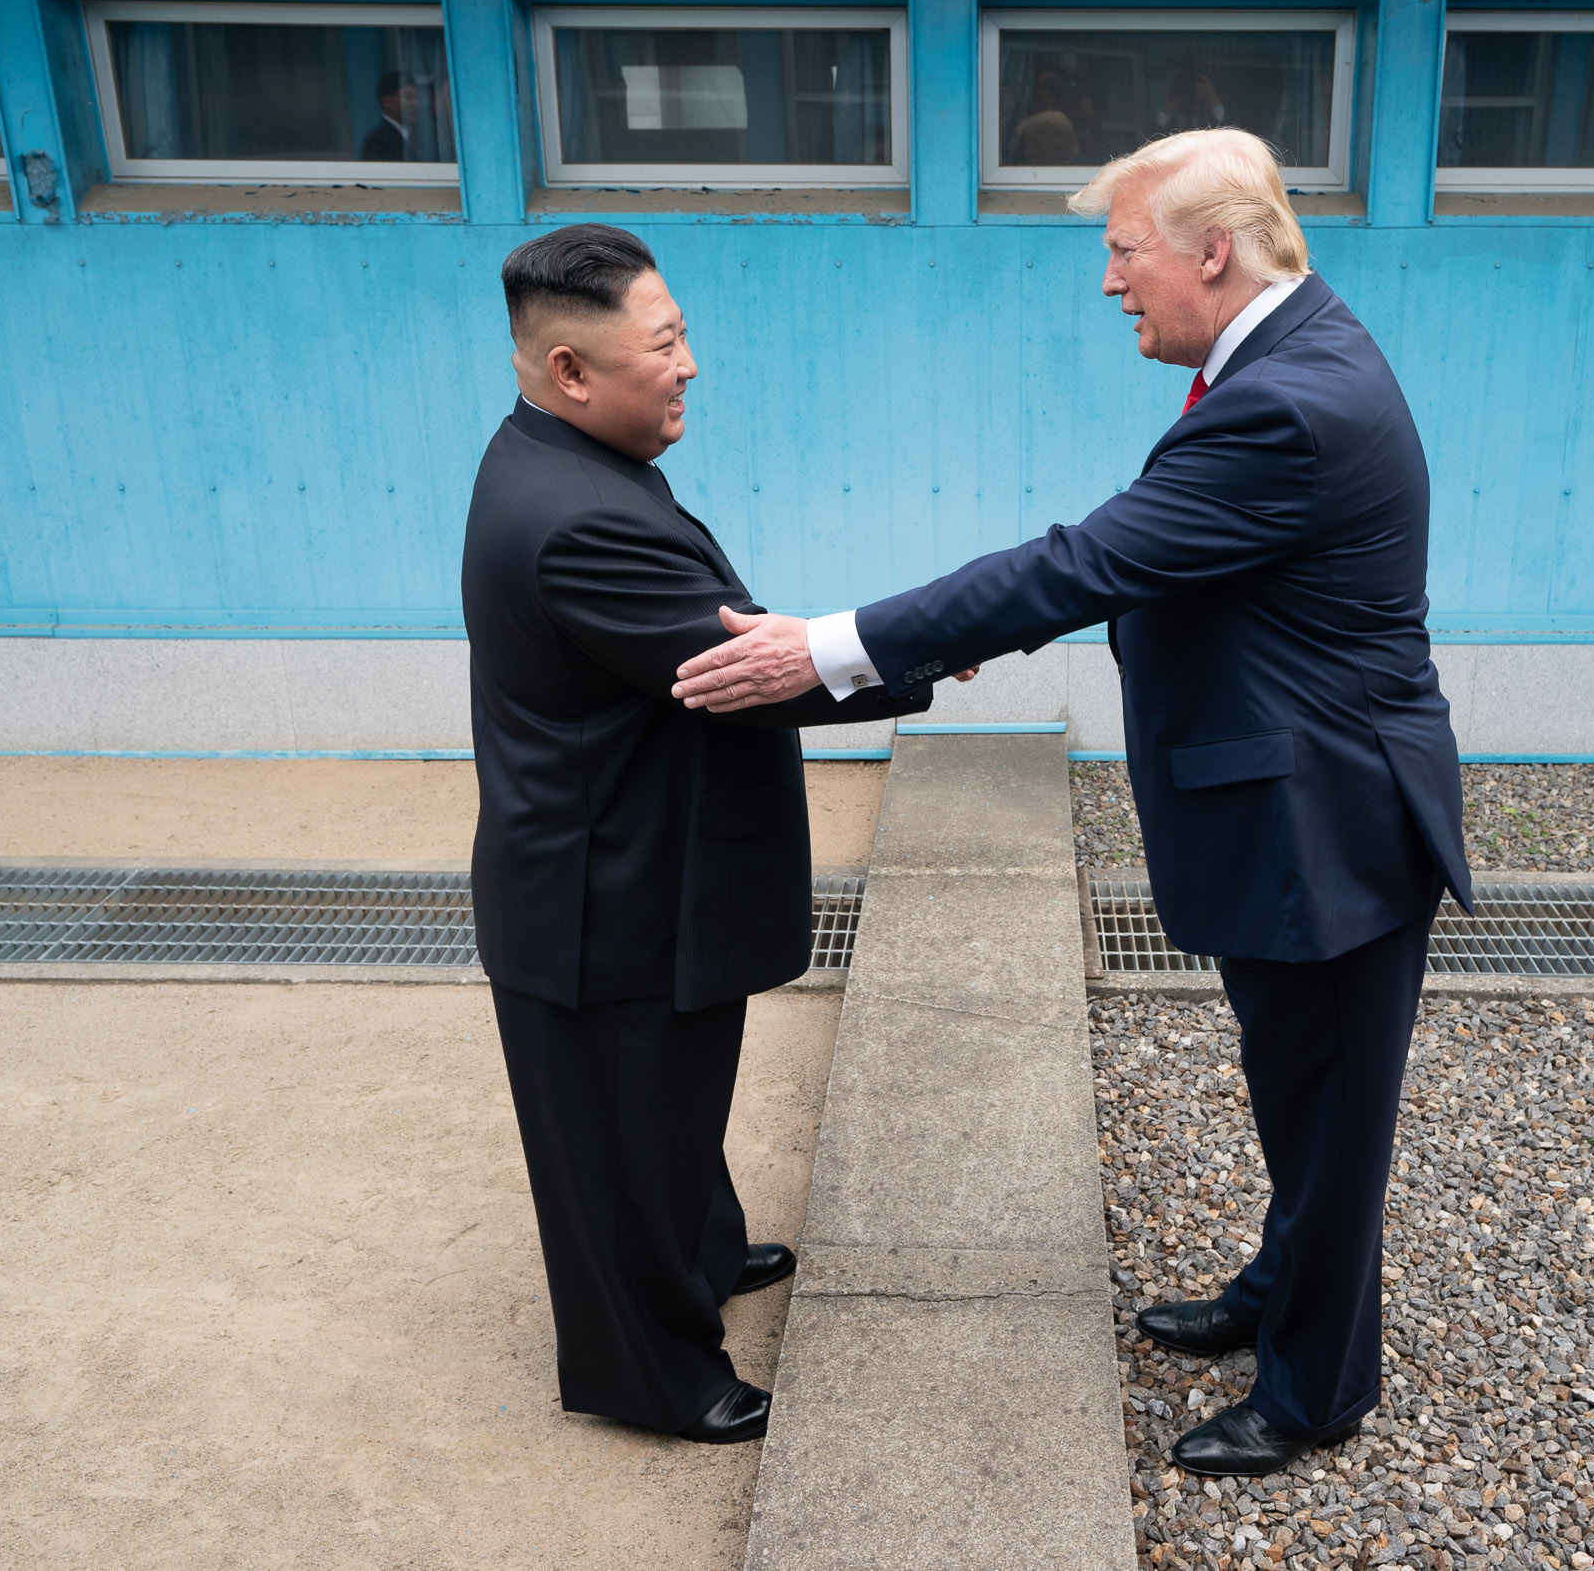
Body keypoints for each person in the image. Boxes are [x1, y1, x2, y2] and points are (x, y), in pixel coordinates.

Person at [668, 128, 1474, 1478]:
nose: (1112, 283)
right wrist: (1003, 621)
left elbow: (1089, 556)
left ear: (1211, 250)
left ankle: (1319, 1387)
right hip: (1304, 808)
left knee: (1330, 1116)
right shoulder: (1289, 353)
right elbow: (1153, 558)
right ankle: (1282, 1291)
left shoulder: (1288, 400)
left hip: (1327, 828)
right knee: (1300, 1094)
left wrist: (831, 646)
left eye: (1122, 251)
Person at [460, 224, 934, 1444]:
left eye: (682, 336)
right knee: (622, 1143)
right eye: (663, 345)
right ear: (570, 369)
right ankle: (653, 1375)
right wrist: (926, 640)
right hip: (601, 897)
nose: (687, 366)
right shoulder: (576, 517)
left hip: (626, 859)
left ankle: (703, 1251)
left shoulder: (563, 461)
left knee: (667, 1109)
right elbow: (741, 660)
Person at [362, 71, 420, 161]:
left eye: (416, 97)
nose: (415, 103)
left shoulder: (417, 135)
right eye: (408, 96)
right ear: (387, 101)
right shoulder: (378, 142)